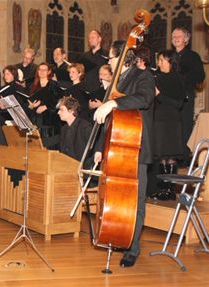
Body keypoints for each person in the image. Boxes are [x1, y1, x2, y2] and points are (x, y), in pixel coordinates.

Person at [94, 41, 155, 268]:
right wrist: (101, 147)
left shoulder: (143, 75)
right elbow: (111, 121)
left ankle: (133, 248)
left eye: (111, 58)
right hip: (118, 144)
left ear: (123, 58)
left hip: (136, 146)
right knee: (120, 198)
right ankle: (118, 235)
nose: (109, 62)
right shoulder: (117, 82)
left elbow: (144, 98)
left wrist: (113, 103)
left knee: (135, 202)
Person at [149, 50, 186, 201]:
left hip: (170, 121)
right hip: (158, 121)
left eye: (162, 60)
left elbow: (177, 104)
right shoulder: (156, 77)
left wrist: (159, 95)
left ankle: (170, 190)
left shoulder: (177, 78)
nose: (159, 63)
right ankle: (163, 189)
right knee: (161, 156)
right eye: (158, 60)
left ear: (170, 61)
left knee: (170, 156)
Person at [171, 27, 205, 160]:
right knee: (171, 125)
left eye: (179, 36)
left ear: (186, 39)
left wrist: (182, 77)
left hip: (185, 95)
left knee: (184, 126)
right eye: (174, 36)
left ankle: (183, 157)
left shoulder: (193, 56)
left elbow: (200, 76)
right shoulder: (169, 56)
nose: (176, 38)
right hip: (169, 97)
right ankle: (170, 156)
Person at [27, 63, 61, 150]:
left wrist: (45, 107)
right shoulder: (33, 85)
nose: (41, 72)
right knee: (36, 147)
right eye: (40, 69)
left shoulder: (53, 85)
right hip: (35, 119)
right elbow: (29, 102)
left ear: (49, 72)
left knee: (47, 146)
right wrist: (31, 106)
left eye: (44, 70)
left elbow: (58, 101)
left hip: (48, 121)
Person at [57, 96, 92, 162]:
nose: (58, 112)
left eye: (61, 110)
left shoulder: (85, 127)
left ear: (71, 111)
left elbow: (91, 153)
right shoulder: (64, 129)